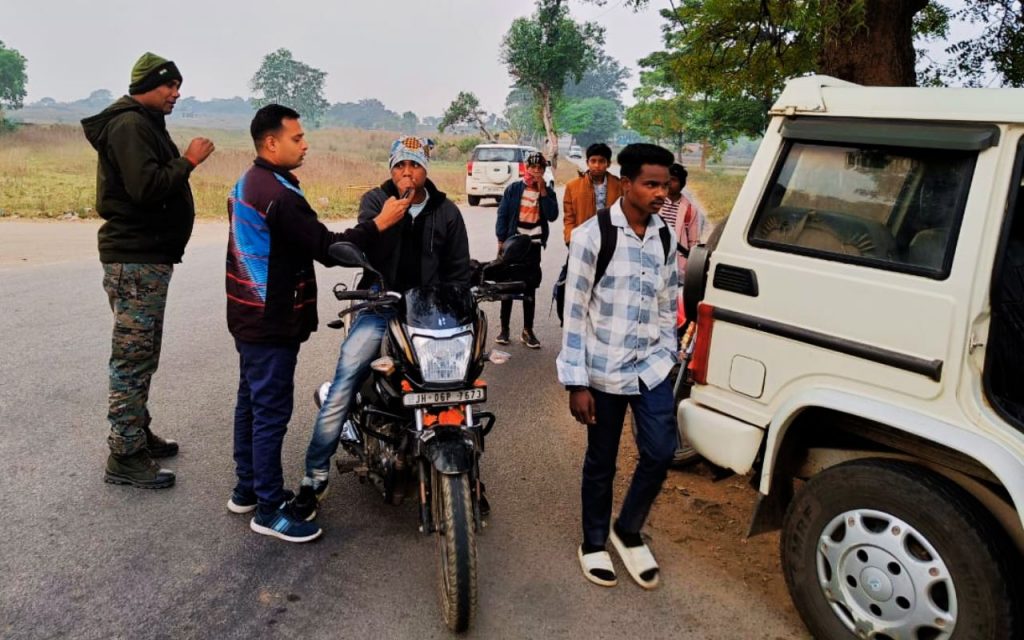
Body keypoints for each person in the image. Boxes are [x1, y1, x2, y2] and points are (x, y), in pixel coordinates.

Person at [225, 105, 404, 543]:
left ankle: (247, 488)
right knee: (269, 412)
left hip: (247, 313)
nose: (305, 144)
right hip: (270, 319)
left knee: (250, 401)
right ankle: (268, 509)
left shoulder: (249, 181)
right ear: (271, 142)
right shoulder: (279, 195)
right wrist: (378, 225)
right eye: (297, 138)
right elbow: (327, 247)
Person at [290, 136, 472, 521]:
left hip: (430, 310)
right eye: (400, 166)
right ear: (391, 169)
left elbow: (458, 269)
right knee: (346, 380)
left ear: (426, 169)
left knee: (462, 377)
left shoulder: (447, 211)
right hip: (380, 303)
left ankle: (467, 476)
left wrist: (464, 302)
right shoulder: (376, 201)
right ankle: (313, 479)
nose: (407, 173)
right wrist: (392, 217)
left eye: (415, 165)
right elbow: (367, 245)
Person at [82, 52, 215, 489]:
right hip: (135, 259)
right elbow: (145, 188)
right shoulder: (130, 125)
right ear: (146, 85)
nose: (176, 94)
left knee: (142, 353)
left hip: (147, 258)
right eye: (169, 86)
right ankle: (124, 455)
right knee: (132, 358)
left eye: (178, 86)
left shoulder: (142, 122)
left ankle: (136, 434)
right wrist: (190, 161)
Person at [556, 143, 679, 590]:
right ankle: (593, 543)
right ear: (625, 184)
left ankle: (627, 530)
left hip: (651, 368)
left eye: (664, 185)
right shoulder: (593, 236)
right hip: (603, 372)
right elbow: (574, 312)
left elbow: (669, 303)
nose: (660, 193)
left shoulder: (665, 236)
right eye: (651, 184)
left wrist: (667, 355)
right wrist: (576, 381)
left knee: (662, 452)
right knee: (601, 460)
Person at [494, 151, 559, 348]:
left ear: (544, 171)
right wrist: (501, 240)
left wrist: (543, 191)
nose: (536, 172)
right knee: (508, 286)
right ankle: (504, 329)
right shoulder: (513, 189)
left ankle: (527, 330)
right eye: (532, 168)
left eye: (540, 169)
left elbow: (552, 215)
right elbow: (502, 214)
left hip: (533, 245)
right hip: (513, 245)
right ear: (526, 168)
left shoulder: (547, 192)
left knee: (529, 287)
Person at [562, 143, 622, 245]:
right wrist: (569, 238)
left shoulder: (619, 186)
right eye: (593, 161)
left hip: (611, 241)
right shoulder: (572, 186)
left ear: (608, 163)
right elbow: (569, 217)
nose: (597, 165)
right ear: (587, 162)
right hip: (582, 240)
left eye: (601, 161)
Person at [659, 163, 707, 279]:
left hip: (676, 261)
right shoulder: (655, 202)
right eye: (667, 180)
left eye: (674, 180)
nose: (670, 184)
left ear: (682, 184)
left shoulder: (690, 210)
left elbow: (693, 241)